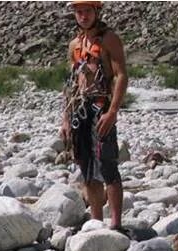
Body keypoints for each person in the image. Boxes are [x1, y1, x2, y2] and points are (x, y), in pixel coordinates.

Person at [61, 0, 127, 232]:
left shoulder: (109, 39)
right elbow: (70, 85)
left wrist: (113, 111)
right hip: (81, 109)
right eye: (79, 12)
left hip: (101, 107)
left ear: (96, 11)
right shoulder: (75, 45)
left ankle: (116, 225)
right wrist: (66, 119)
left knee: (107, 165)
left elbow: (120, 76)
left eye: (87, 11)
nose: (83, 16)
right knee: (87, 167)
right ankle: (97, 223)